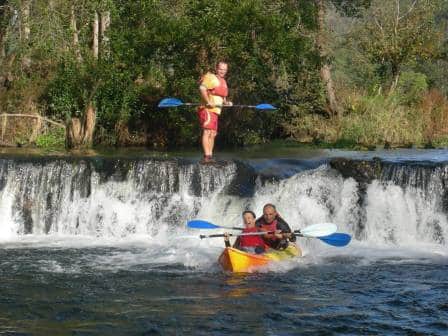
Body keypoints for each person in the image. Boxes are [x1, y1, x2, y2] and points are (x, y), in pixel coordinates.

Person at [197, 61, 232, 164]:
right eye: (221, 69)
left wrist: (227, 103)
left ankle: (210, 155)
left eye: (225, 70)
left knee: (213, 134)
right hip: (207, 109)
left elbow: (222, 99)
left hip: (216, 111)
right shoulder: (211, 78)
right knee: (207, 132)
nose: (223, 71)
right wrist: (208, 102)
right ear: (217, 69)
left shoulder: (224, 82)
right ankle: (206, 156)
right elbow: (202, 88)